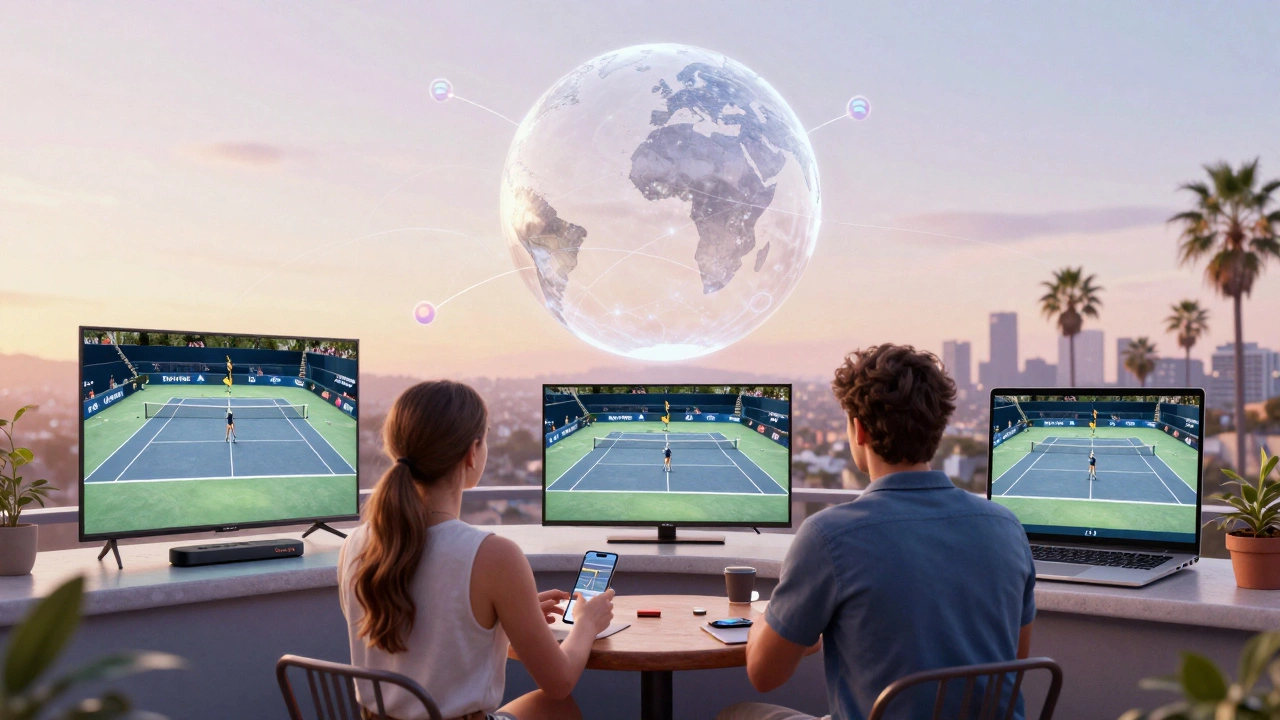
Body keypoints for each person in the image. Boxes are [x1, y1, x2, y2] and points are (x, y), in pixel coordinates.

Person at [719, 345, 1035, 720]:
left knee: (739, 713)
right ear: (938, 426)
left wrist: (768, 616)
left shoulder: (828, 536)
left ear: (860, 429)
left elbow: (764, 673)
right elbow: (1014, 659)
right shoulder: (1007, 527)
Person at [339, 381, 614, 720]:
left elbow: (426, 634)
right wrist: (586, 623)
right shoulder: (494, 556)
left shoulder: (354, 545)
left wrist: (505, 616)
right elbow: (559, 682)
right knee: (557, 706)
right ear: (472, 452)